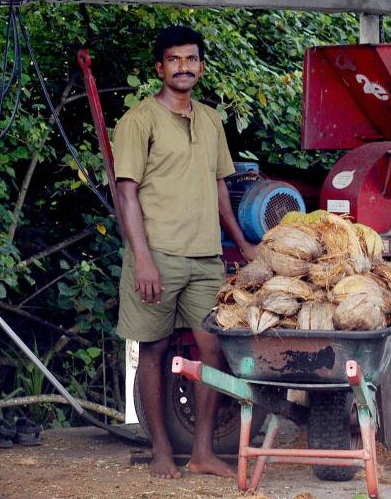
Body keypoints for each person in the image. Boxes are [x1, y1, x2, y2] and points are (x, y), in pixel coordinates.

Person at [113, 25, 257, 479]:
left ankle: (201, 453)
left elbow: (218, 186)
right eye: (174, 60)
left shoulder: (211, 120)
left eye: (191, 59)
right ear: (160, 68)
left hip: (205, 256)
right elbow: (126, 194)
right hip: (157, 255)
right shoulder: (138, 121)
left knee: (214, 351)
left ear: (201, 66)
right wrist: (143, 259)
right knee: (152, 350)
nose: (183, 67)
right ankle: (159, 451)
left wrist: (241, 241)